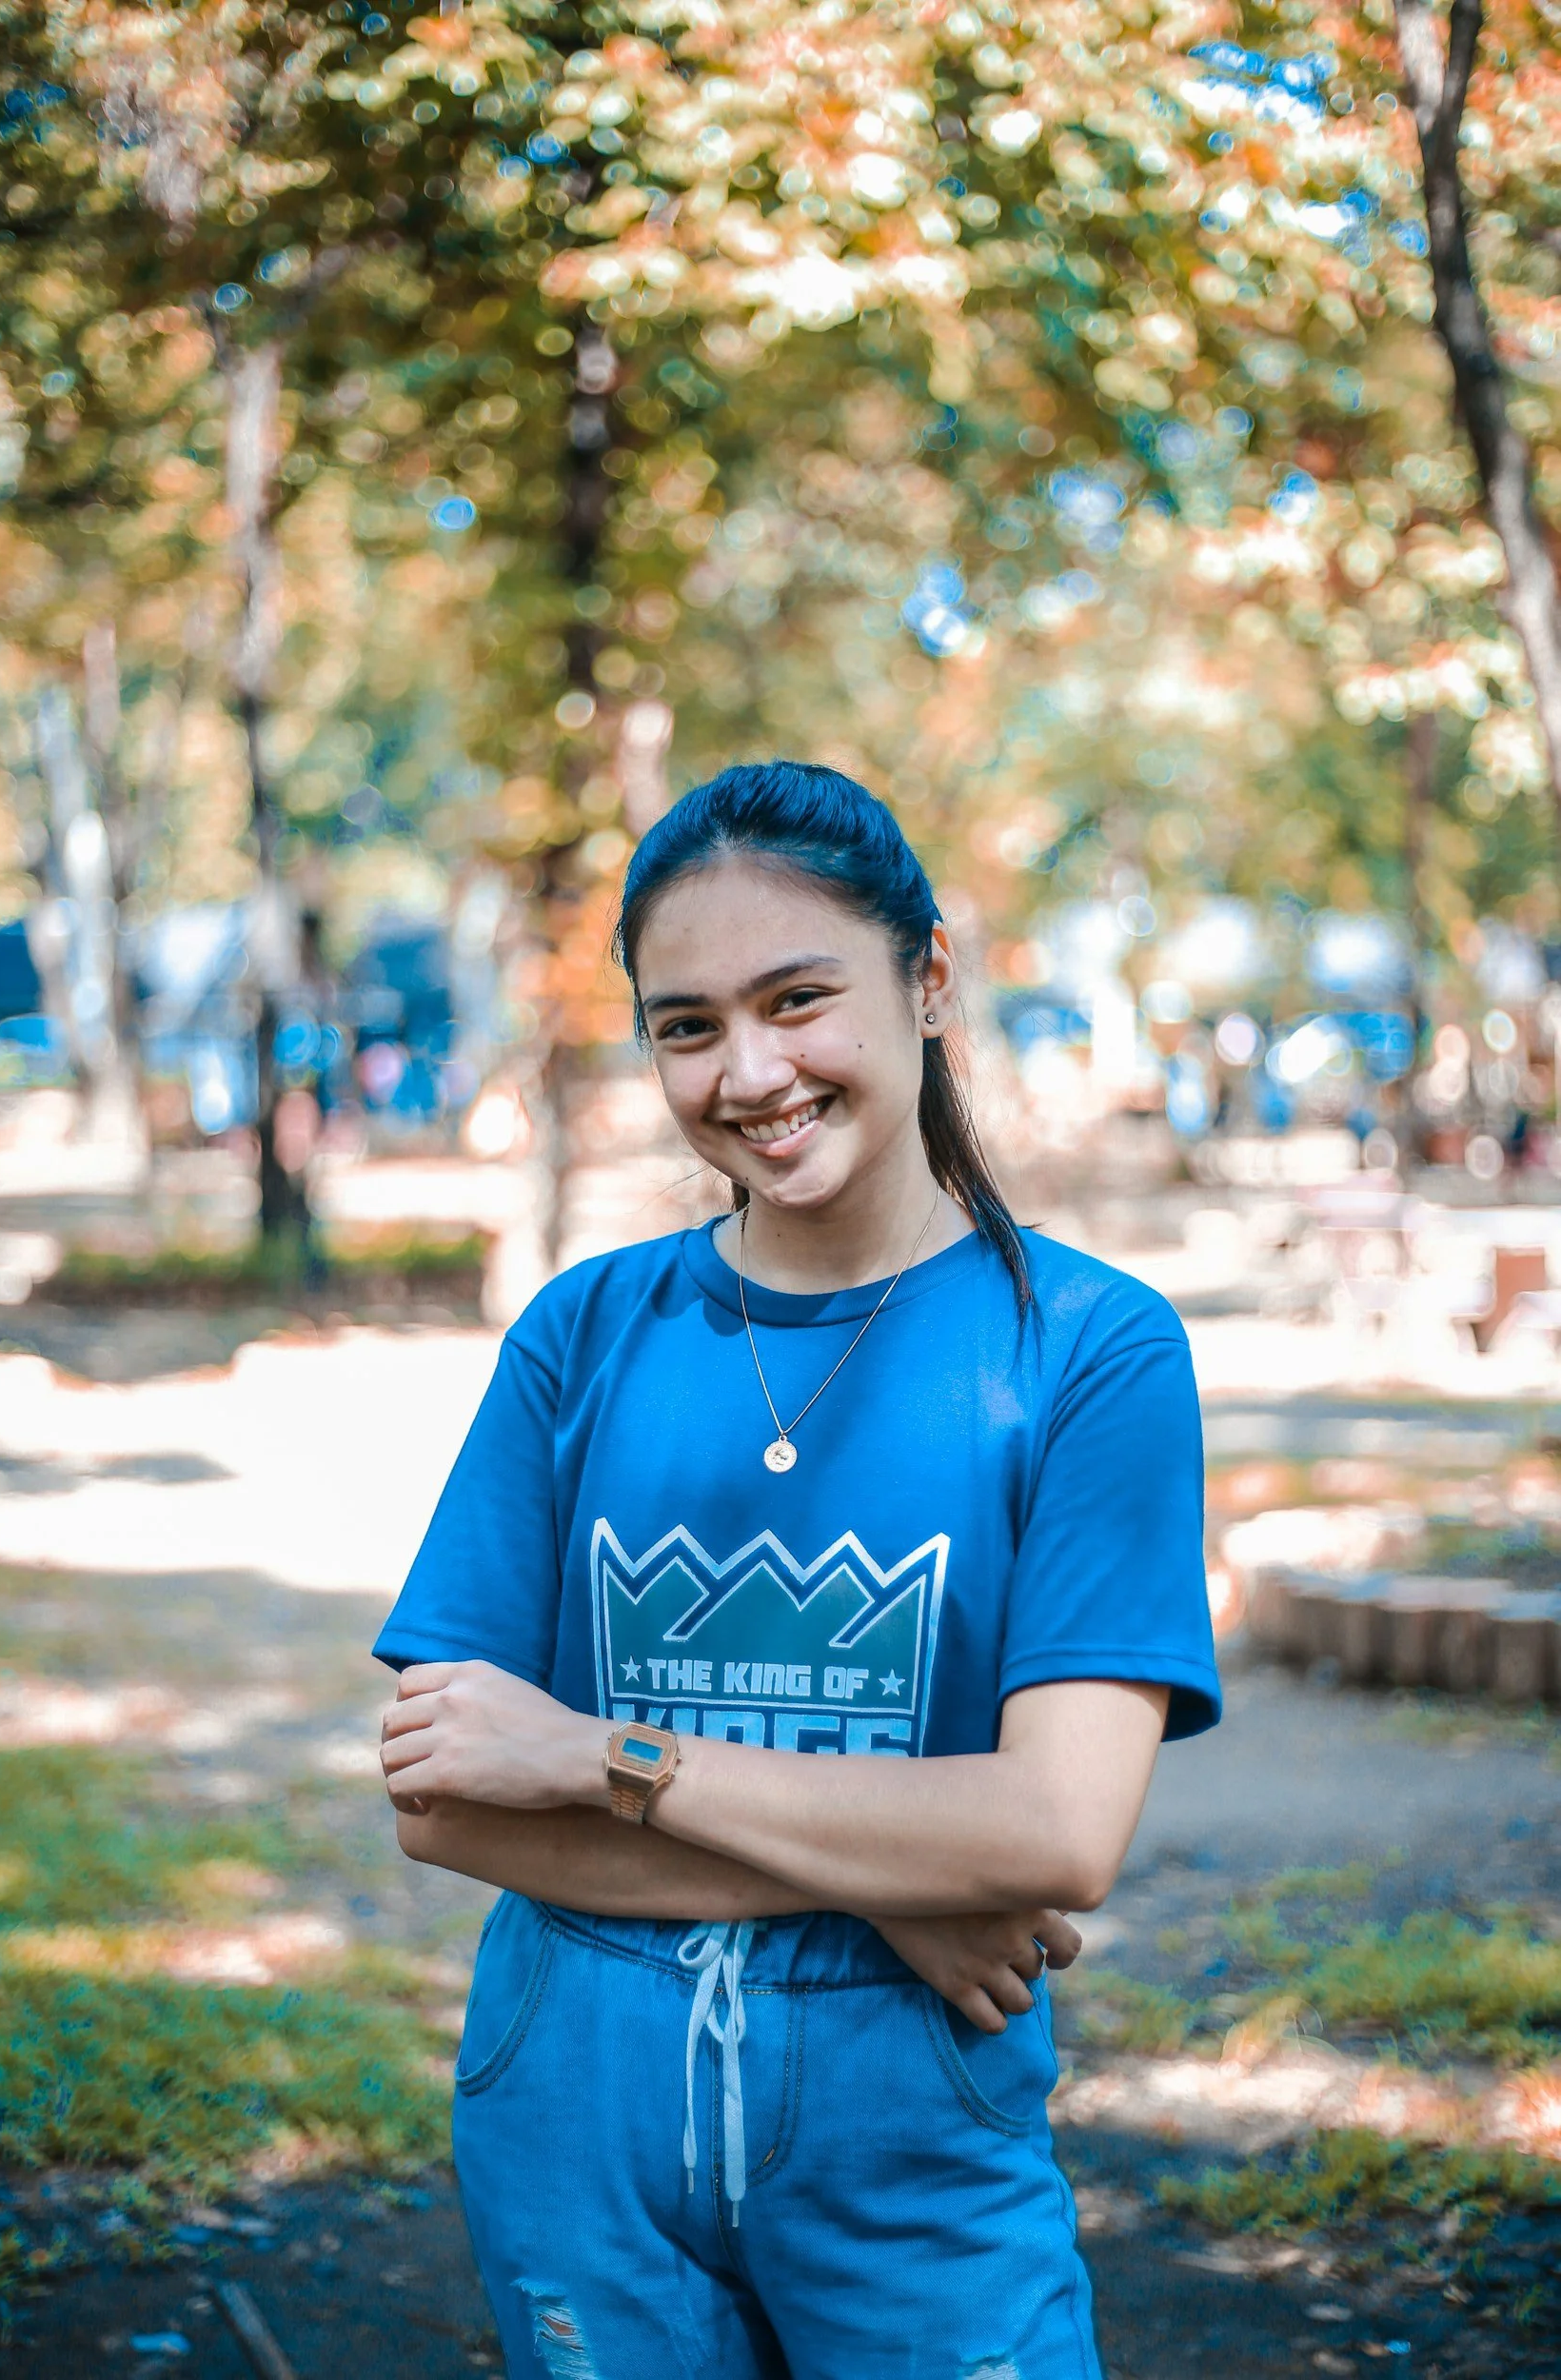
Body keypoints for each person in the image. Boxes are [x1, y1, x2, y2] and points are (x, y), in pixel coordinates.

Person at [376, 760, 1219, 2380]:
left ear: (926, 977)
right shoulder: (584, 1333)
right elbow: (446, 1802)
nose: (748, 1071)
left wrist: (596, 1760)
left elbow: (1053, 1829)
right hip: (574, 2113)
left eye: (796, 999)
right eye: (687, 1024)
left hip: (914, 2130)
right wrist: (886, 1878)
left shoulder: (1087, 1351)